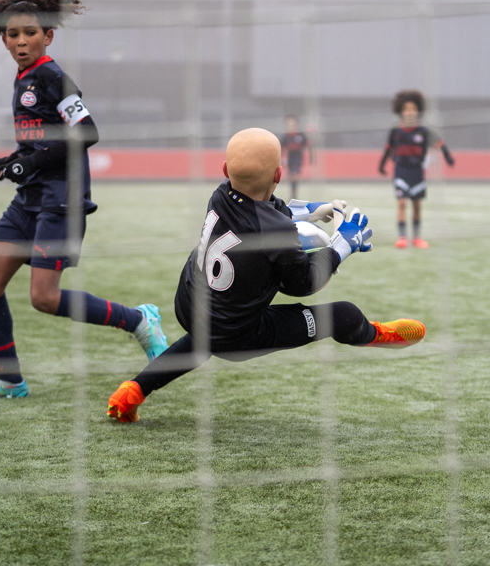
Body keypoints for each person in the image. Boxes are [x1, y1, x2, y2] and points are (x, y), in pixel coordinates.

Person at [107, 128, 426, 423]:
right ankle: (373, 335)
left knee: (205, 337)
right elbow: (304, 283)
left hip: (189, 305)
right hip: (237, 335)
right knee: (343, 315)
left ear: (225, 170)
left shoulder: (220, 194)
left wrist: (314, 210)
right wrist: (342, 245)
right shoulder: (276, 230)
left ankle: (133, 391)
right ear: (279, 174)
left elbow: (263, 210)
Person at [0, 0, 168, 399]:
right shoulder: (23, 77)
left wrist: (30, 161)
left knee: (44, 297)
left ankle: (138, 321)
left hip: (61, 199)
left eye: (30, 33)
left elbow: (87, 132)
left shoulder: (54, 77)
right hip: (28, 199)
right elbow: (41, 139)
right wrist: (14, 159)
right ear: (3, 38)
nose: (21, 41)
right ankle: (10, 381)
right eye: (13, 34)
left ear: (48, 36)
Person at [378, 90, 454, 249]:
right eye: (406, 109)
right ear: (400, 111)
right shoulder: (396, 131)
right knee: (401, 203)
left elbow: (440, 143)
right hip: (401, 171)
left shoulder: (423, 131)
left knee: (417, 205)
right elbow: (388, 149)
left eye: (413, 109)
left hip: (417, 172)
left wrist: (448, 158)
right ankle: (402, 237)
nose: (410, 112)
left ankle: (417, 238)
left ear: (418, 111)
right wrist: (382, 165)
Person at [280, 114, 314, 200]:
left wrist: (311, 158)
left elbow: (308, 145)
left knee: (295, 174)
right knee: (291, 176)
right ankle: (293, 193)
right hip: (290, 157)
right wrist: (281, 159)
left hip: (298, 157)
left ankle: (294, 195)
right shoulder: (286, 136)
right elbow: (281, 147)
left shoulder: (301, 135)